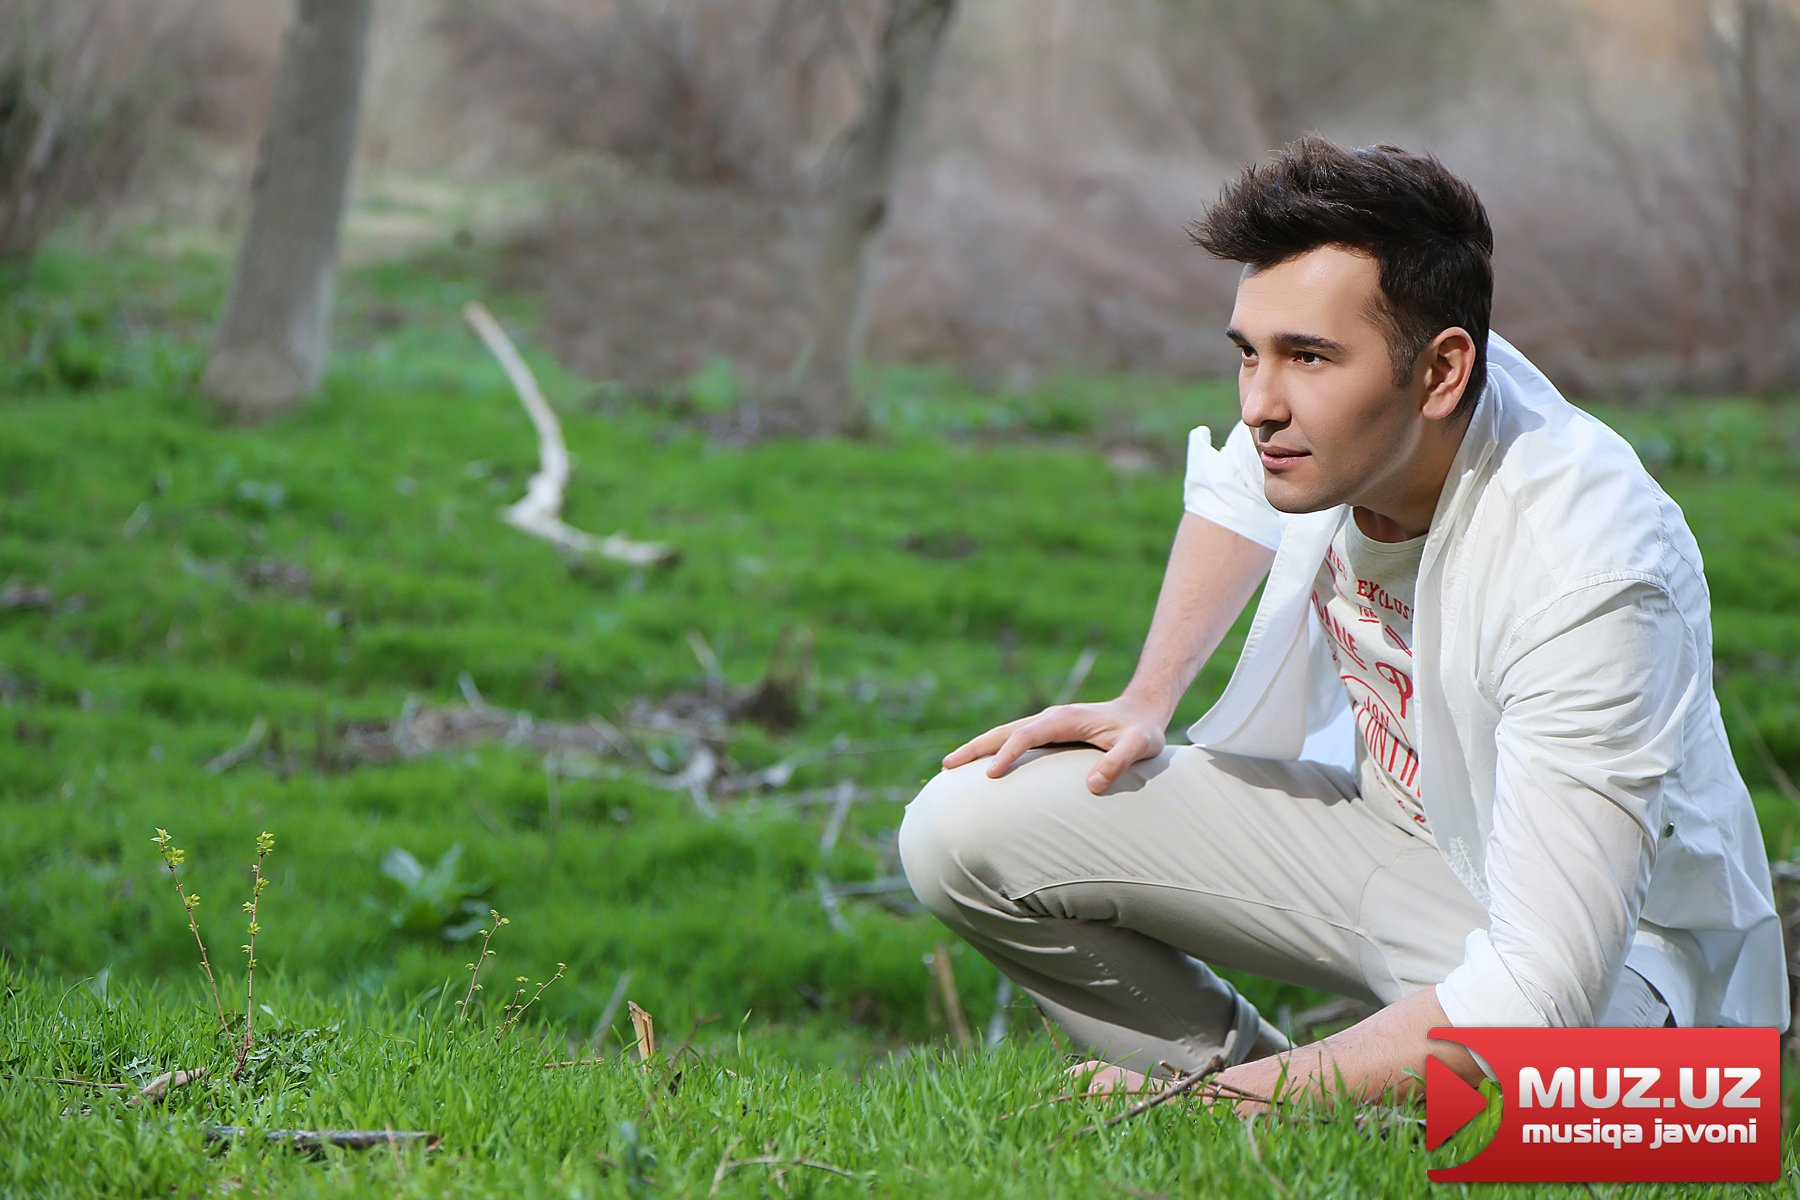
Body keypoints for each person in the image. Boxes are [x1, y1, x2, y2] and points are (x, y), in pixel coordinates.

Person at [896, 136, 1788, 1108]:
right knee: (964, 826)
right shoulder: (1365, 408)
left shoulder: (1590, 570)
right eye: (1249, 353)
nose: (1260, 403)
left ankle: (1225, 1110)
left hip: (1626, 984)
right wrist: (1146, 698)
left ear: (1442, 374)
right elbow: (1238, 484)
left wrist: (1221, 1111)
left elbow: (1542, 993)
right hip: (1405, 848)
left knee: (1540, 1132)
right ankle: (1237, 1096)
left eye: (1307, 357)